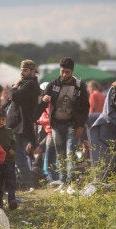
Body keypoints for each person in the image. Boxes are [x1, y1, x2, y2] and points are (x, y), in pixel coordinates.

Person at [40, 57, 90, 191]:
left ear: (72, 71)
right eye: (62, 71)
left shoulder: (80, 85)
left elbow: (86, 107)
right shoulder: (54, 83)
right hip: (56, 125)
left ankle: (71, 182)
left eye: (67, 72)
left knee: (70, 153)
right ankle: (63, 182)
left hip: (72, 125)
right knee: (60, 154)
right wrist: (44, 98)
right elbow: (42, 97)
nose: (64, 75)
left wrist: (81, 125)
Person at [6, 60, 41, 189]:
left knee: (20, 158)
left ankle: (28, 184)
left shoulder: (30, 84)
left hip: (21, 125)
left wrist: (15, 86)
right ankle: (25, 183)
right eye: (21, 70)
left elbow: (14, 96)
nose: (22, 72)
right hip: (17, 124)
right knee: (19, 157)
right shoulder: (26, 83)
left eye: (25, 70)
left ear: (32, 71)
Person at [0, 111, 17, 210]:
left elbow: (14, 143)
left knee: (11, 181)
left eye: (3, 119)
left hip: (9, 161)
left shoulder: (9, 131)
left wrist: (12, 149)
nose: (0, 121)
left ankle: (12, 200)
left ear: (5, 120)